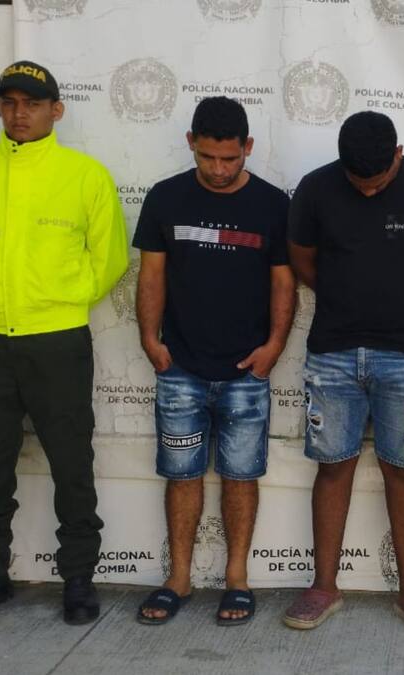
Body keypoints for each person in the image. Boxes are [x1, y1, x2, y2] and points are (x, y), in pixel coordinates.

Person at [0, 61, 129, 625]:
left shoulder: (85, 176)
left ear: (56, 110)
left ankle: (78, 579)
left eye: (33, 104)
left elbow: (110, 260)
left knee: (71, 463)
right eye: (10, 102)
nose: (20, 114)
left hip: (57, 342)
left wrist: (60, 300)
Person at [284, 111, 404, 635]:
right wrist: (344, 294)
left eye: (378, 183)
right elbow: (301, 257)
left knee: (402, 470)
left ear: (398, 155)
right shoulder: (316, 188)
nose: (367, 191)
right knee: (332, 467)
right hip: (333, 352)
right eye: (357, 182)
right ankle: (323, 587)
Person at [131, 97, 294, 627]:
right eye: (207, 157)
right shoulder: (165, 197)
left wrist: (274, 346)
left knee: (241, 477)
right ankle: (178, 578)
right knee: (181, 476)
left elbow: (283, 281)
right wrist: (149, 340)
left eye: (230, 158)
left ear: (248, 148)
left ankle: (237, 580)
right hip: (179, 367)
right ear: (191, 144)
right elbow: (151, 274)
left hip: (247, 370)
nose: (219, 170)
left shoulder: (273, 204)